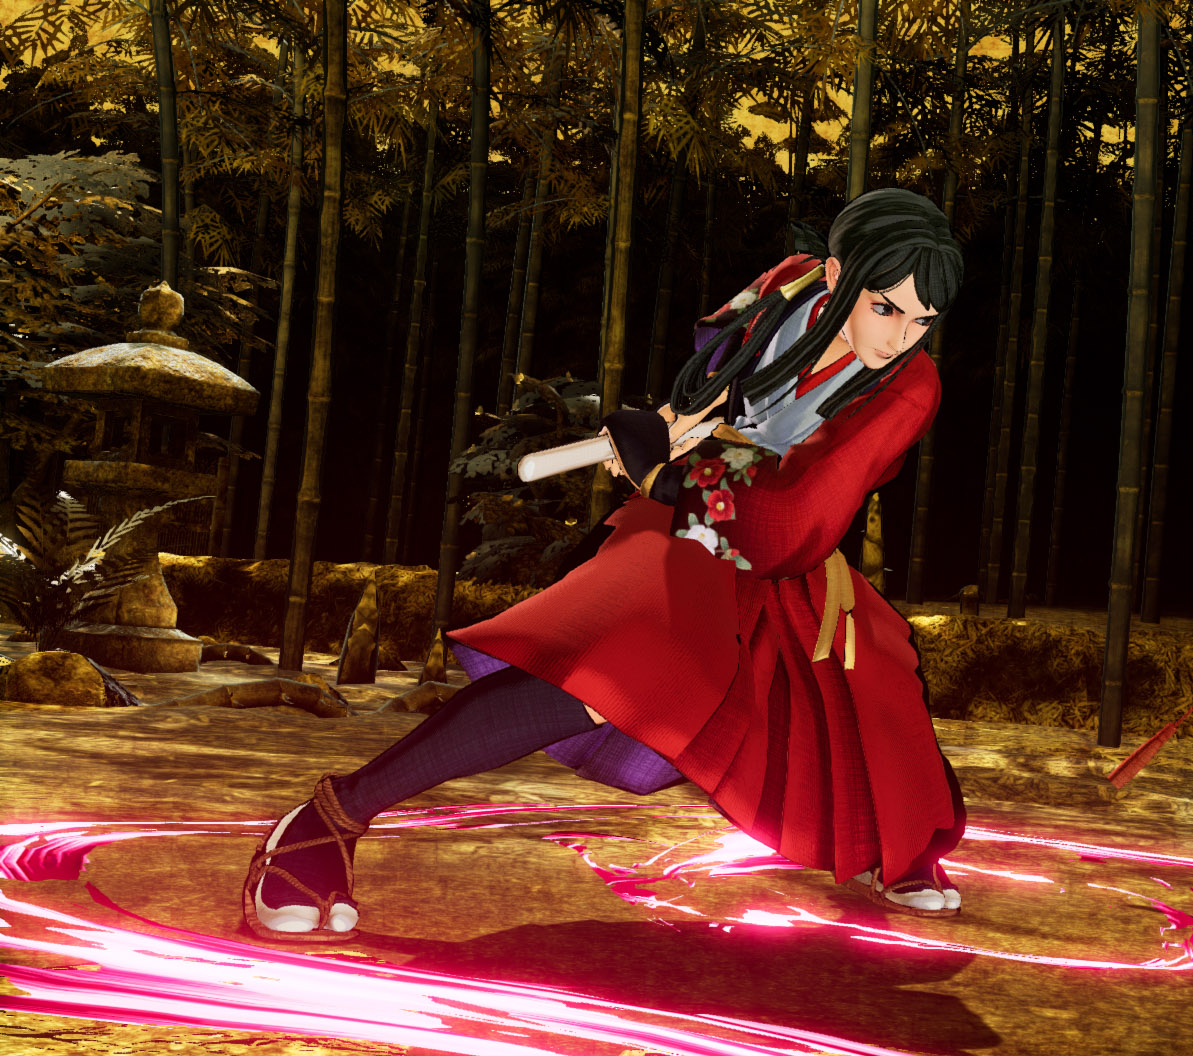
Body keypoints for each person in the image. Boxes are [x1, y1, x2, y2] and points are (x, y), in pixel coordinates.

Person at [243, 188, 968, 942]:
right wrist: (680, 421)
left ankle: (901, 849)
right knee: (606, 674)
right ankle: (327, 819)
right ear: (836, 273)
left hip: (774, 541)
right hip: (692, 530)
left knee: (870, 695)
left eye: (922, 321)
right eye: (885, 308)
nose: (899, 337)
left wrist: (662, 471)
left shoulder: (910, 387)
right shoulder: (784, 285)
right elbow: (715, 360)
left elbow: (795, 521)